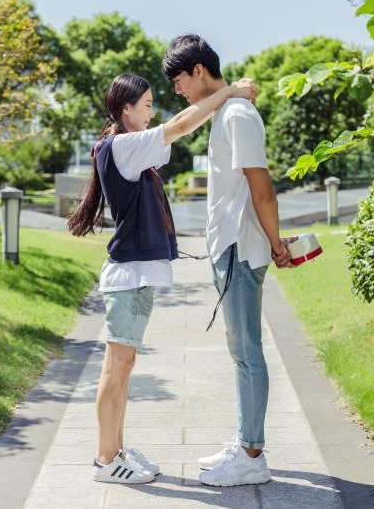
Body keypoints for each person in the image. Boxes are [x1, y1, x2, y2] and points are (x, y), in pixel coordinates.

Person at [68, 72, 257, 485]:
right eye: (148, 105)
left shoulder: (129, 147)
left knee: (123, 367)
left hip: (133, 276)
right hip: (129, 277)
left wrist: (222, 100)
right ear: (126, 109)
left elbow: (183, 126)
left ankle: (116, 451)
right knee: (116, 370)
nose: (153, 113)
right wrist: (230, 92)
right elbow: (181, 124)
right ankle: (105, 459)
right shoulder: (123, 146)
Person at [163, 35, 297, 487]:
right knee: (240, 351)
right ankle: (245, 441)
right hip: (230, 247)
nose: (178, 90)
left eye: (179, 80)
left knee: (247, 351)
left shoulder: (237, 114)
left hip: (241, 247)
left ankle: (251, 454)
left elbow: (262, 188)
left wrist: (277, 244)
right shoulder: (225, 110)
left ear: (199, 70)